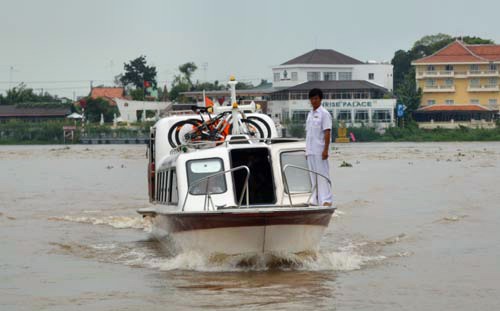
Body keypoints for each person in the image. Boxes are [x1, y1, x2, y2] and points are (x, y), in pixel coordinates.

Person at [305, 88, 333, 206]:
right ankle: (315, 200)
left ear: (320, 99)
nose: (314, 101)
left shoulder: (324, 114)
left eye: (316, 98)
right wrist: (306, 150)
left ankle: (326, 200)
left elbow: (327, 132)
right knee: (312, 175)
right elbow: (308, 133)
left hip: (320, 150)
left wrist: (326, 150)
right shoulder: (310, 114)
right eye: (312, 99)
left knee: (322, 175)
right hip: (310, 150)